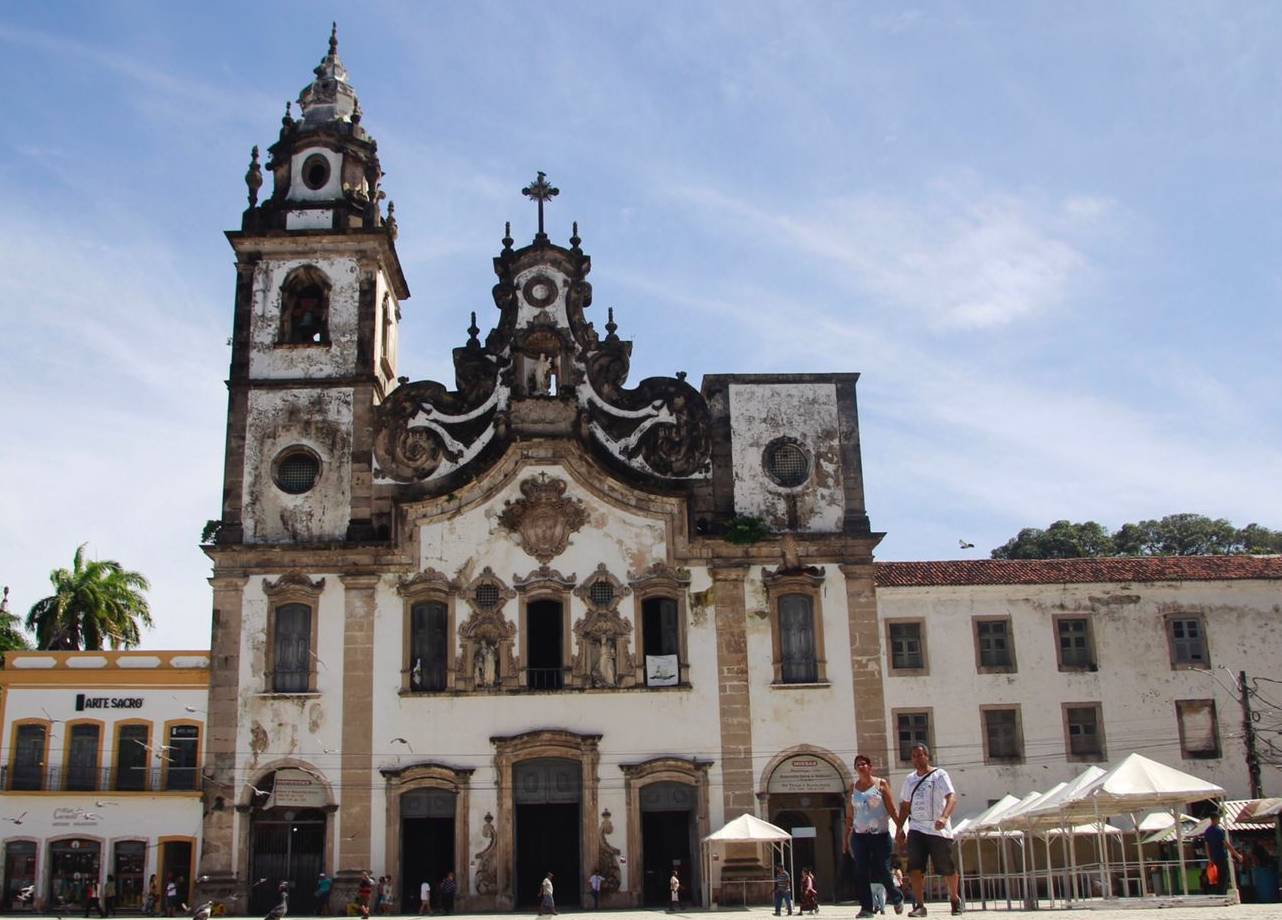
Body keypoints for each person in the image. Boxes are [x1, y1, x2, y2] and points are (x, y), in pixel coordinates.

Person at [896, 744, 962, 917]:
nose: (917, 759)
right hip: (917, 827)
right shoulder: (910, 779)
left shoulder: (940, 775)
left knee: (947, 867)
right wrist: (899, 828)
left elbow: (952, 797)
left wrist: (944, 817)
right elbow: (904, 806)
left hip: (938, 829)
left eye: (920, 755)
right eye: (914, 756)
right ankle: (919, 905)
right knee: (914, 867)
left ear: (927, 756)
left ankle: (955, 898)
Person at [846, 754, 905, 918]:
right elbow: (850, 815)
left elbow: (892, 809)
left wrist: (899, 828)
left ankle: (896, 896)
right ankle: (866, 908)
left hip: (880, 835)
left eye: (864, 764)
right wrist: (846, 836)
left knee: (883, 870)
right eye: (858, 764)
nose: (861, 766)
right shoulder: (853, 788)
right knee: (861, 872)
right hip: (859, 835)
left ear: (870, 767)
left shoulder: (881, 784)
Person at [1203, 812, 1241, 895]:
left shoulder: (1207, 831)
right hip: (1221, 856)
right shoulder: (1218, 830)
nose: (1219, 821)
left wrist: (1209, 858)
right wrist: (1236, 854)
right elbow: (1226, 844)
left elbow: (1206, 846)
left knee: (1215, 877)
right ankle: (1222, 894)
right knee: (1223, 877)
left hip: (1213, 858)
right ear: (1215, 819)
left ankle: (1217, 894)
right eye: (1218, 819)